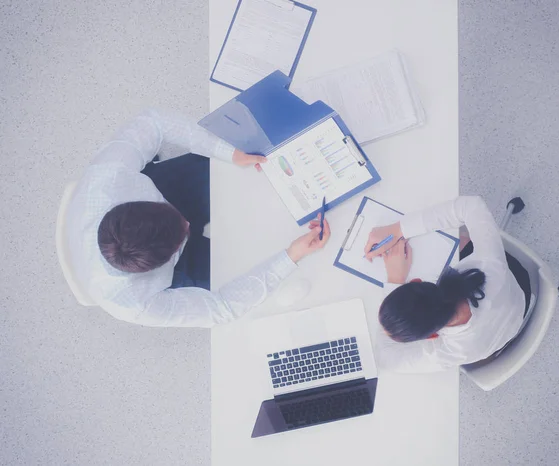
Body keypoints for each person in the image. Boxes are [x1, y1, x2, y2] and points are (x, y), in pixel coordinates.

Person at [66, 108, 330, 327]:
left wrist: (229, 153)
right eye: (183, 233)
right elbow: (222, 308)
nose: (189, 224)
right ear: (164, 260)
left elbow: (153, 122)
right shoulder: (135, 304)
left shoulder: (110, 177)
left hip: (165, 192)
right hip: (174, 265)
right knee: (244, 262)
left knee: (232, 163)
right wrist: (290, 256)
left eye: (179, 220)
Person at [363, 196, 531, 372]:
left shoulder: (451, 352)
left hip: (508, 319)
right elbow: (473, 205)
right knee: (459, 239)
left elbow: (385, 359)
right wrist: (398, 229)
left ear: (431, 336)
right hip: (515, 294)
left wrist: (395, 280)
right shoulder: (489, 266)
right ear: (416, 282)